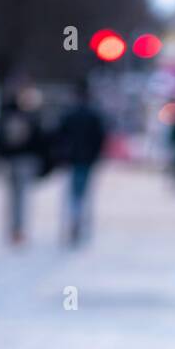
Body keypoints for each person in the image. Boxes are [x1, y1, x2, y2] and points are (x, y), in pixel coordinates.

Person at [55, 81, 107, 246]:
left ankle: (75, 221)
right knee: (84, 194)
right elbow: (100, 138)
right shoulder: (93, 114)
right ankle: (80, 223)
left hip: (72, 159)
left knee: (73, 194)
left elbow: (59, 137)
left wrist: (62, 155)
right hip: (86, 160)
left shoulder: (69, 114)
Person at [0, 84, 48, 245]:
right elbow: (40, 142)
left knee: (13, 197)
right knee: (21, 197)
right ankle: (18, 229)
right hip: (25, 161)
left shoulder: (7, 115)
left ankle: (14, 229)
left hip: (12, 160)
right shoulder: (31, 117)